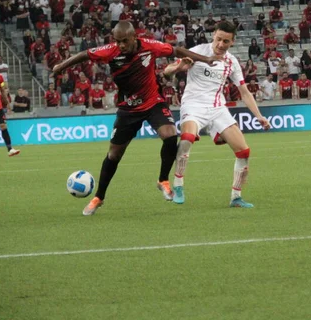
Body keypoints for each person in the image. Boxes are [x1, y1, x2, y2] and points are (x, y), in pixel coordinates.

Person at [51, 21, 219, 215]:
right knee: (114, 155)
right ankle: (99, 197)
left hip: (153, 102)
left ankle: (163, 180)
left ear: (134, 37)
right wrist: (61, 66)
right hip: (128, 109)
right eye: (117, 41)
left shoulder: (149, 46)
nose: (121, 45)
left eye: (124, 41)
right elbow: (85, 54)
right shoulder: (110, 51)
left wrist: (205, 59)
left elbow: (177, 50)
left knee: (171, 135)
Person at [163, 21, 270, 208]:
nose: (221, 44)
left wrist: (259, 116)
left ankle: (236, 197)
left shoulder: (232, 62)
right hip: (193, 104)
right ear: (214, 35)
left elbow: (244, 91)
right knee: (187, 137)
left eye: (226, 41)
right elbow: (166, 73)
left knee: (244, 151)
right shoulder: (197, 51)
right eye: (219, 39)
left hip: (217, 107)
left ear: (233, 42)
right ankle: (178, 185)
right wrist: (179, 68)